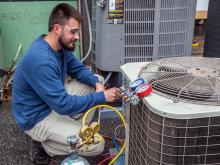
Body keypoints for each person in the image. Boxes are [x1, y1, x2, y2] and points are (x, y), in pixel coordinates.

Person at [12, 3, 121, 165]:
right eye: (73, 32)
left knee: (97, 80)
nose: (77, 37)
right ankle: (41, 144)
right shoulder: (41, 60)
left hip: (51, 103)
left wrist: (97, 86)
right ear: (57, 29)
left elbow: (78, 70)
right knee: (96, 144)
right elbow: (63, 104)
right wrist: (102, 96)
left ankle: (67, 132)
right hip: (37, 116)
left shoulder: (58, 47)